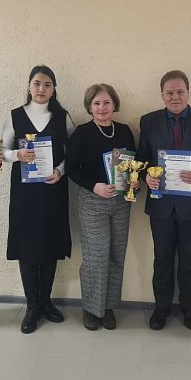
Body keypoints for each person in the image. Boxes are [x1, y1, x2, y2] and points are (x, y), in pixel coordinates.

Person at [136, 70, 191, 331]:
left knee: (189, 260)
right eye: (170, 93)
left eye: (180, 92)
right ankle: (161, 308)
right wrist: (146, 178)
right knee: (161, 258)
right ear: (162, 95)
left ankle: (189, 309)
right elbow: (141, 159)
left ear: (188, 93)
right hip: (160, 203)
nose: (175, 97)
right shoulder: (148, 121)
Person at [1, 65, 75, 334]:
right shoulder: (15, 116)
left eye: (47, 84)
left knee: (50, 244)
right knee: (28, 246)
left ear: (54, 89)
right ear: (29, 86)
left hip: (53, 189)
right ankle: (32, 307)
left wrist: (61, 170)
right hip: (25, 193)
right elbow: (1, 150)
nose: (41, 89)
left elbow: (74, 152)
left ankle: (46, 302)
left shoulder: (63, 117)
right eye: (37, 83)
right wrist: (17, 156)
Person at [66, 84, 136, 331]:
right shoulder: (82, 133)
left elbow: (132, 164)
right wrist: (94, 186)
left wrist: (133, 183)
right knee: (96, 257)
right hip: (92, 201)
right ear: (90, 107)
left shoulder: (124, 131)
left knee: (116, 254)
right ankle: (91, 308)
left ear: (114, 105)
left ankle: (107, 307)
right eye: (96, 103)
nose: (102, 108)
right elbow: (72, 168)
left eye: (106, 102)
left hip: (120, 202)